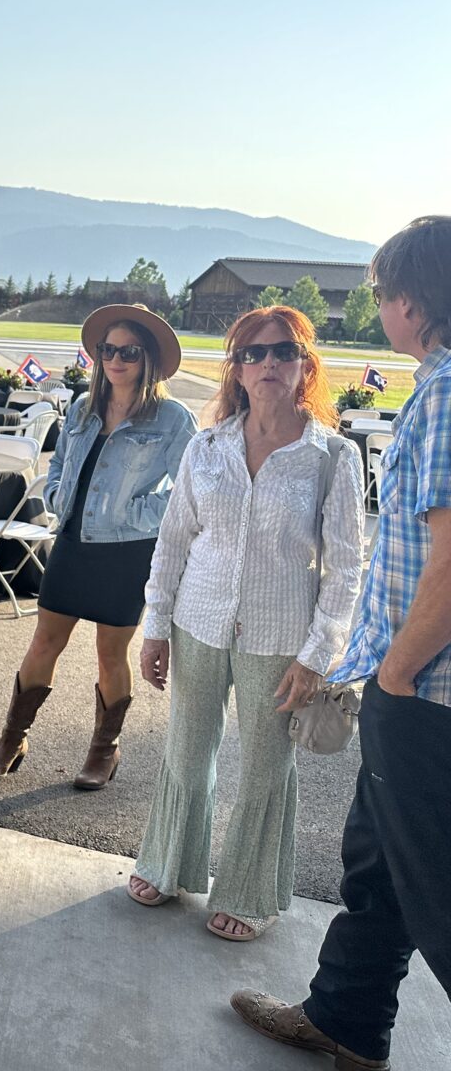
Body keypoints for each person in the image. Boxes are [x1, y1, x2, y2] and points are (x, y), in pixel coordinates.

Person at [232, 217, 451, 1069]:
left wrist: (395, 674)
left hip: (425, 689)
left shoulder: (445, 393)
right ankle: (346, 1022)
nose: (382, 306)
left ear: (411, 302)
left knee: (434, 887)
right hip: (415, 683)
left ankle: (346, 1021)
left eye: (385, 293)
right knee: (380, 863)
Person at [129, 306, 365, 941]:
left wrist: (318, 654)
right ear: (235, 369)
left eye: (284, 351)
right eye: (252, 353)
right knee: (186, 751)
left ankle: (247, 892)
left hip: (280, 638)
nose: (268, 364)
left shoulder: (332, 457)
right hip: (197, 622)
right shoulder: (206, 448)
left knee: (265, 769)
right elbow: (173, 542)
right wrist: (156, 626)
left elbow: (346, 568)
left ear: (305, 365)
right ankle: (167, 863)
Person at [0, 305, 195, 789]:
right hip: (73, 542)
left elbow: (190, 489)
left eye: (128, 352)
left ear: (147, 358)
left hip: (125, 551)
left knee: (110, 654)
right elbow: (59, 461)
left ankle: (104, 750)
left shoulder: (172, 419)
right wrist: (58, 494)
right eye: (107, 350)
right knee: (44, 643)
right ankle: (12, 739)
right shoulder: (82, 407)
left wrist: (135, 514)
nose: (115, 360)